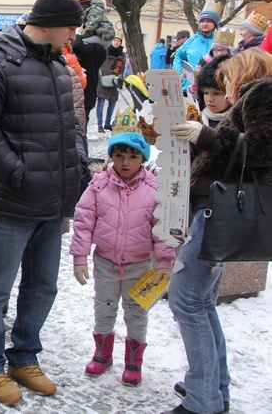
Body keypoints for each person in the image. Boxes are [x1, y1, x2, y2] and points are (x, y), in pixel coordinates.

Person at [0, 0, 87, 405]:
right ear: (51, 23)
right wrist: (17, 173)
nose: (73, 34)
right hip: (15, 201)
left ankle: (24, 356)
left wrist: (78, 167)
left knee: (42, 287)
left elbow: (71, 128)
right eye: (71, 26)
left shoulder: (57, 67)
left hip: (53, 202)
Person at [164, 47, 272, 414]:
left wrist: (205, 136)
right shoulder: (259, 94)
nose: (224, 93)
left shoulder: (261, 92)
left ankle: (203, 401)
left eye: (226, 82)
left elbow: (257, 149)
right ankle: (211, 386)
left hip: (218, 211)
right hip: (214, 209)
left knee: (186, 300)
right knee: (201, 302)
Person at [69, 107, 175, 385]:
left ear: (142, 158)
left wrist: (164, 263)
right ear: (111, 156)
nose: (125, 162)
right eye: (119, 155)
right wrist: (80, 256)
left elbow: (162, 229)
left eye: (132, 156)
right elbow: (83, 220)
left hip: (139, 265)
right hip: (105, 262)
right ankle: (102, 355)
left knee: (136, 312)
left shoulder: (154, 189)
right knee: (104, 308)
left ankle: (134, 361)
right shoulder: (99, 185)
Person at [70, 0, 115, 128]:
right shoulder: (95, 47)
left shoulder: (97, 49)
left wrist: (78, 33)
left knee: (80, 133)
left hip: (85, 96)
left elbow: (77, 45)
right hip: (80, 96)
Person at [172, 2, 220, 90]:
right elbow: (178, 55)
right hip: (189, 87)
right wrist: (178, 72)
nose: (205, 24)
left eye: (208, 21)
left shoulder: (219, 41)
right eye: (202, 21)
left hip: (211, 87)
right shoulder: (191, 40)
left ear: (215, 24)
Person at [96, 36, 125, 132]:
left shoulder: (121, 55)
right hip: (103, 79)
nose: (116, 42)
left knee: (112, 103)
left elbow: (122, 69)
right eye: (115, 40)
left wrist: (120, 79)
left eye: (118, 41)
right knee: (101, 103)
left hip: (114, 81)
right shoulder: (105, 51)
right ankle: (99, 125)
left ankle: (107, 123)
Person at [195, 54, 232, 119]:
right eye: (206, 93)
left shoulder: (240, 123)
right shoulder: (196, 118)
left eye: (216, 93)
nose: (209, 99)